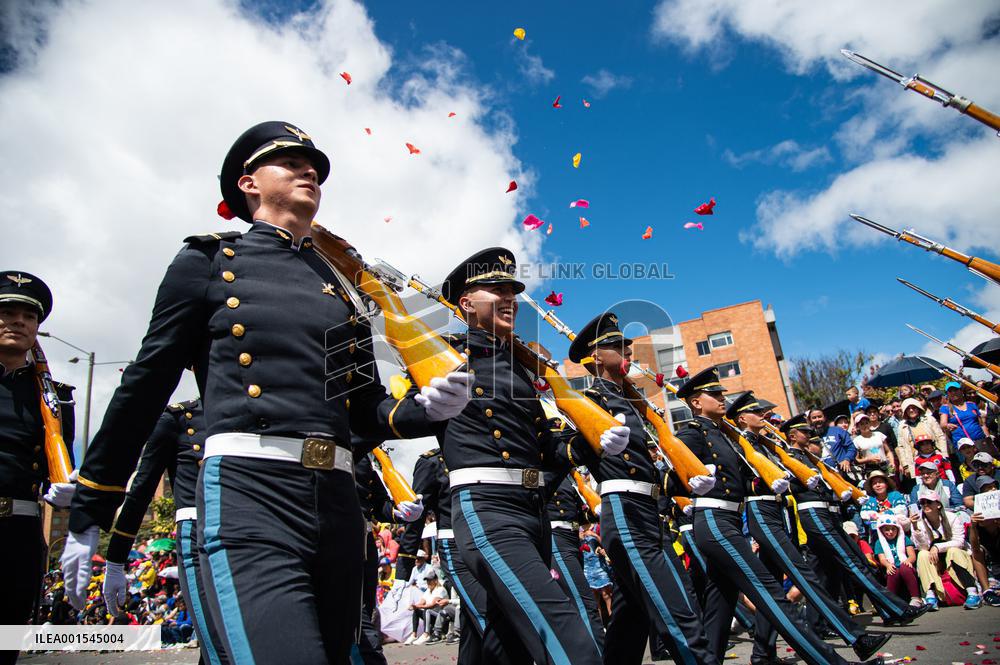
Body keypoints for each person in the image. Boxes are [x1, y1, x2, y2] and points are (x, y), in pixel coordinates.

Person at [62, 122, 470, 664]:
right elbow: (146, 383)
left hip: (337, 502)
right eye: (292, 162)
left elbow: (364, 408)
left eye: (316, 167)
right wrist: (93, 503)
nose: (311, 172)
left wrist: (424, 409)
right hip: (249, 494)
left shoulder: (342, 290)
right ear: (249, 183)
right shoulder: (209, 262)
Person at [440, 248, 622, 665]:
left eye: (513, 291)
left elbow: (546, 446)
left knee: (506, 647)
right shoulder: (445, 354)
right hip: (487, 509)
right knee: (567, 637)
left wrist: (587, 444)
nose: (510, 298)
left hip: (532, 509)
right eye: (496, 289)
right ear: (466, 303)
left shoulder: (519, 367)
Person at [675, 368, 875, 665]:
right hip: (714, 521)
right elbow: (673, 477)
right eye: (714, 394)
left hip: (729, 521)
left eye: (721, 393)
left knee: (720, 605)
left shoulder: (727, 435)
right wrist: (693, 479)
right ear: (695, 402)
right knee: (770, 593)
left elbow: (743, 479)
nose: (722, 398)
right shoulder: (691, 433)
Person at [568, 312, 713, 665]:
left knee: (630, 620)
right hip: (625, 508)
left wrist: (683, 478)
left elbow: (649, 464)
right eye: (618, 347)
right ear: (596, 356)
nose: (628, 353)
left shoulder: (634, 402)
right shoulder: (591, 400)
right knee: (677, 611)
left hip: (647, 509)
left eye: (629, 347)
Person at [728, 392, 884, 664]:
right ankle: (856, 636)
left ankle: (763, 654)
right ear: (742, 418)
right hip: (761, 512)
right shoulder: (741, 444)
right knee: (803, 575)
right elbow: (739, 479)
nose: (763, 416)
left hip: (777, 512)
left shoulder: (764, 443)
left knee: (774, 586)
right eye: (756, 412)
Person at [99, 398, 226, 665]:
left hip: (249, 535)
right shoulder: (178, 418)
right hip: (197, 538)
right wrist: (115, 560)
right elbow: (141, 489)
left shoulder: (249, 407)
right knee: (219, 649)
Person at [781, 414, 924, 630]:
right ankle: (894, 609)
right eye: (805, 433)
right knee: (850, 561)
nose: (810, 436)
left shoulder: (807, 456)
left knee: (823, 572)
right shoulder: (789, 457)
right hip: (813, 513)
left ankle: (817, 624)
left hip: (825, 512)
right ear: (793, 435)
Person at [0, 272, 76, 665]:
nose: (18, 322)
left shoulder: (56, 398)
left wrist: (65, 489)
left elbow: (62, 467)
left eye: (28, 317)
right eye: (7, 312)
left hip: (19, 533)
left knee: (5, 640)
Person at [910, 489, 983, 610]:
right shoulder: (919, 522)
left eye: (929, 502)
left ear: (938, 504)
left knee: (954, 551)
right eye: (922, 502)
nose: (926, 505)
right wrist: (915, 528)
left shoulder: (952, 517)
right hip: (935, 560)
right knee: (922, 554)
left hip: (955, 556)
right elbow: (922, 547)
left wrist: (937, 547)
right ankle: (930, 595)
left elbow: (959, 542)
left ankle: (972, 592)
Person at [872, 515, 921, 606]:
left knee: (904, 567)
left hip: (905, 566)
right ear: (881, 530)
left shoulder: (904, 538)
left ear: (898, 529)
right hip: (892, 566)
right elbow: (882, 558)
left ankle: (916, 598)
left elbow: (912, 556)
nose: (890, 532)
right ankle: (891, 602)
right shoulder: (879, 542)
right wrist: (888, 565)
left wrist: (908, 561)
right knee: (893, 571)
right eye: (886, 529)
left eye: (893, 529)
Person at [939, 381, 991, 452]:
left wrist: (988, 438)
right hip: (963, 446)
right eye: (950, 391)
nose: (953, 393)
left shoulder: (971, 405)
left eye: (956, 390)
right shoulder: (945, 408)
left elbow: (982, 424)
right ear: (947, 394)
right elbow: (943, 424)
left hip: (980, 441)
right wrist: (947, 425)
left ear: (961, 391)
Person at [858, 470, 908, 536]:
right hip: (877, 534)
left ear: (886, 484)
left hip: (897, 532)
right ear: (871, 487)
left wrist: (879, 515)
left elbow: (902, 511)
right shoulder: (869, 499)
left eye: (880, 482)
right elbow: (865, 516)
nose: (878, 485)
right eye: (874, 483)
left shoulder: (895, 495)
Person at [808, 408, 856, 477]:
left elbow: (851, 447)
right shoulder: (808, 437)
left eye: (819, 416)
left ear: (825, 418)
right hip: (824, 476)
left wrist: (847, 459)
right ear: (810, 420)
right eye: (814, 418)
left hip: (842, 473)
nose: (817, 419)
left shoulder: (837, 430)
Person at [408, 570, 450, 645]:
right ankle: (414, 634)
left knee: (427, 610)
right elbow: (422, 602)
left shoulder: (441, 590)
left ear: (435, 580)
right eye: (427, 580)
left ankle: (426, 634)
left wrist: (417, 606)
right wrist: (415, 606)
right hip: (432, 616)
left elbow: (432, 604)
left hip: (442, 617)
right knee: (417, 611)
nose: (428, 582)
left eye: (430, 580)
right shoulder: (428, 590)